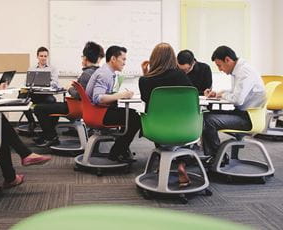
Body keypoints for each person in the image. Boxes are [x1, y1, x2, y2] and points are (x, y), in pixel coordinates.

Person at [139, 43, 193, 187]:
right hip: (184, 126)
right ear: (172, 58)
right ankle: (181, 163)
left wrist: (145, 73)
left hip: (157, 128)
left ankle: (163, 161)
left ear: (153, 59)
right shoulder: (180, 76)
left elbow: (147, 100)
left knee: (157, 118)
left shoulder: (145, 80)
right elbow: (190, 96)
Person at [202, 46, 266, 164]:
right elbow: (235, 92)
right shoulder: (239, 70)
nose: (220, 69)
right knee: (205, 115)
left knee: (208, 121)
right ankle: (214, 156)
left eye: (219, 65)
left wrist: (221, 95)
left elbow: (237, 100)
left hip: (249, 119)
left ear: (228, 60)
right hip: (244, 113)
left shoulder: (244, 72)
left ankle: (219, 158)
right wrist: (219, 93)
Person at [33, 41, 104, 147]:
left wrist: (69, 88)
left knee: (39, 108)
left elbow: (79, 95)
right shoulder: (98, 72)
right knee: (51, 105)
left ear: (85, 58)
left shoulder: (86, 74)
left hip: (76, 107)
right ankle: (49, 134)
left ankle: (51, 136)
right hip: (86, 107)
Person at [85, 45, 140, 163]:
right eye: (123, 59)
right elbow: (98, 98)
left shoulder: (107, 72)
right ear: (113, 59)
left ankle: (121, 150)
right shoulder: (105, 73)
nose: (125, 63)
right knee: (135, 119)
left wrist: (115, 95)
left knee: (132, 114)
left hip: (96, 112)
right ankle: (117, 153)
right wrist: (121, 95)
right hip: (98, 114)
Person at [20, 46, 59, 132]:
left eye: (45, 56)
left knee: (52, 101)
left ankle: (49, 127)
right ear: (37, 57)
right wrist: (33, 85)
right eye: (41, 56)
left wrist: (45, 84)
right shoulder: (31, 68)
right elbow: (26, 83)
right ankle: (32, 122)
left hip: (46, 95)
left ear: (47, 57)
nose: (43, 58)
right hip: (34, 94)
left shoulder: (52, 69)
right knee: (21, 98)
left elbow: (55, 83)